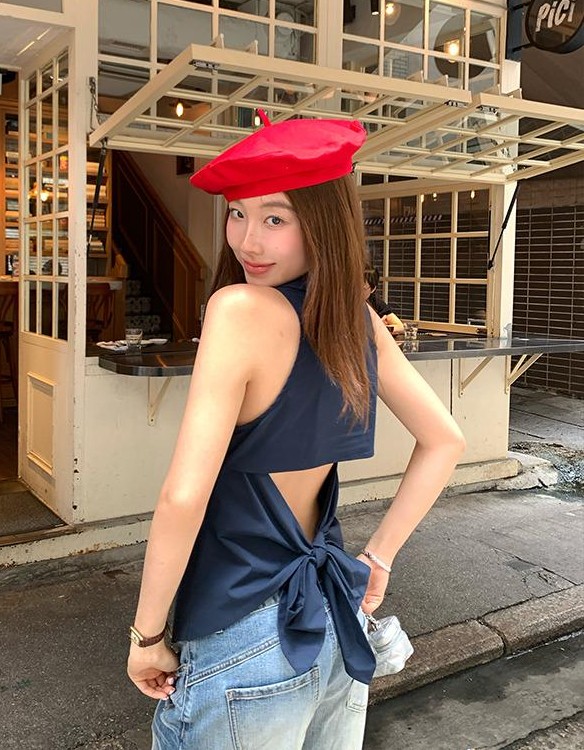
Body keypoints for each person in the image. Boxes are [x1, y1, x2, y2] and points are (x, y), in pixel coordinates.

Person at [126, 111, 466, 750]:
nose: (247, 240)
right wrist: (379, 557)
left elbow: (183, 497)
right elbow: (445, 440)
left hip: (243, 628)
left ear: (323, 225)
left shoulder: (239, 309)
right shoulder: (359, 322)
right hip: (334, 619)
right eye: (238, 213)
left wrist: (146, 636)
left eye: (275, 219)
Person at [364, 267, 405, 334]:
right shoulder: (347, 303)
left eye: (363, 288)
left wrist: (380, 327)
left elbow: (401, 327)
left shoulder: (374, 301)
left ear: (373, 289)